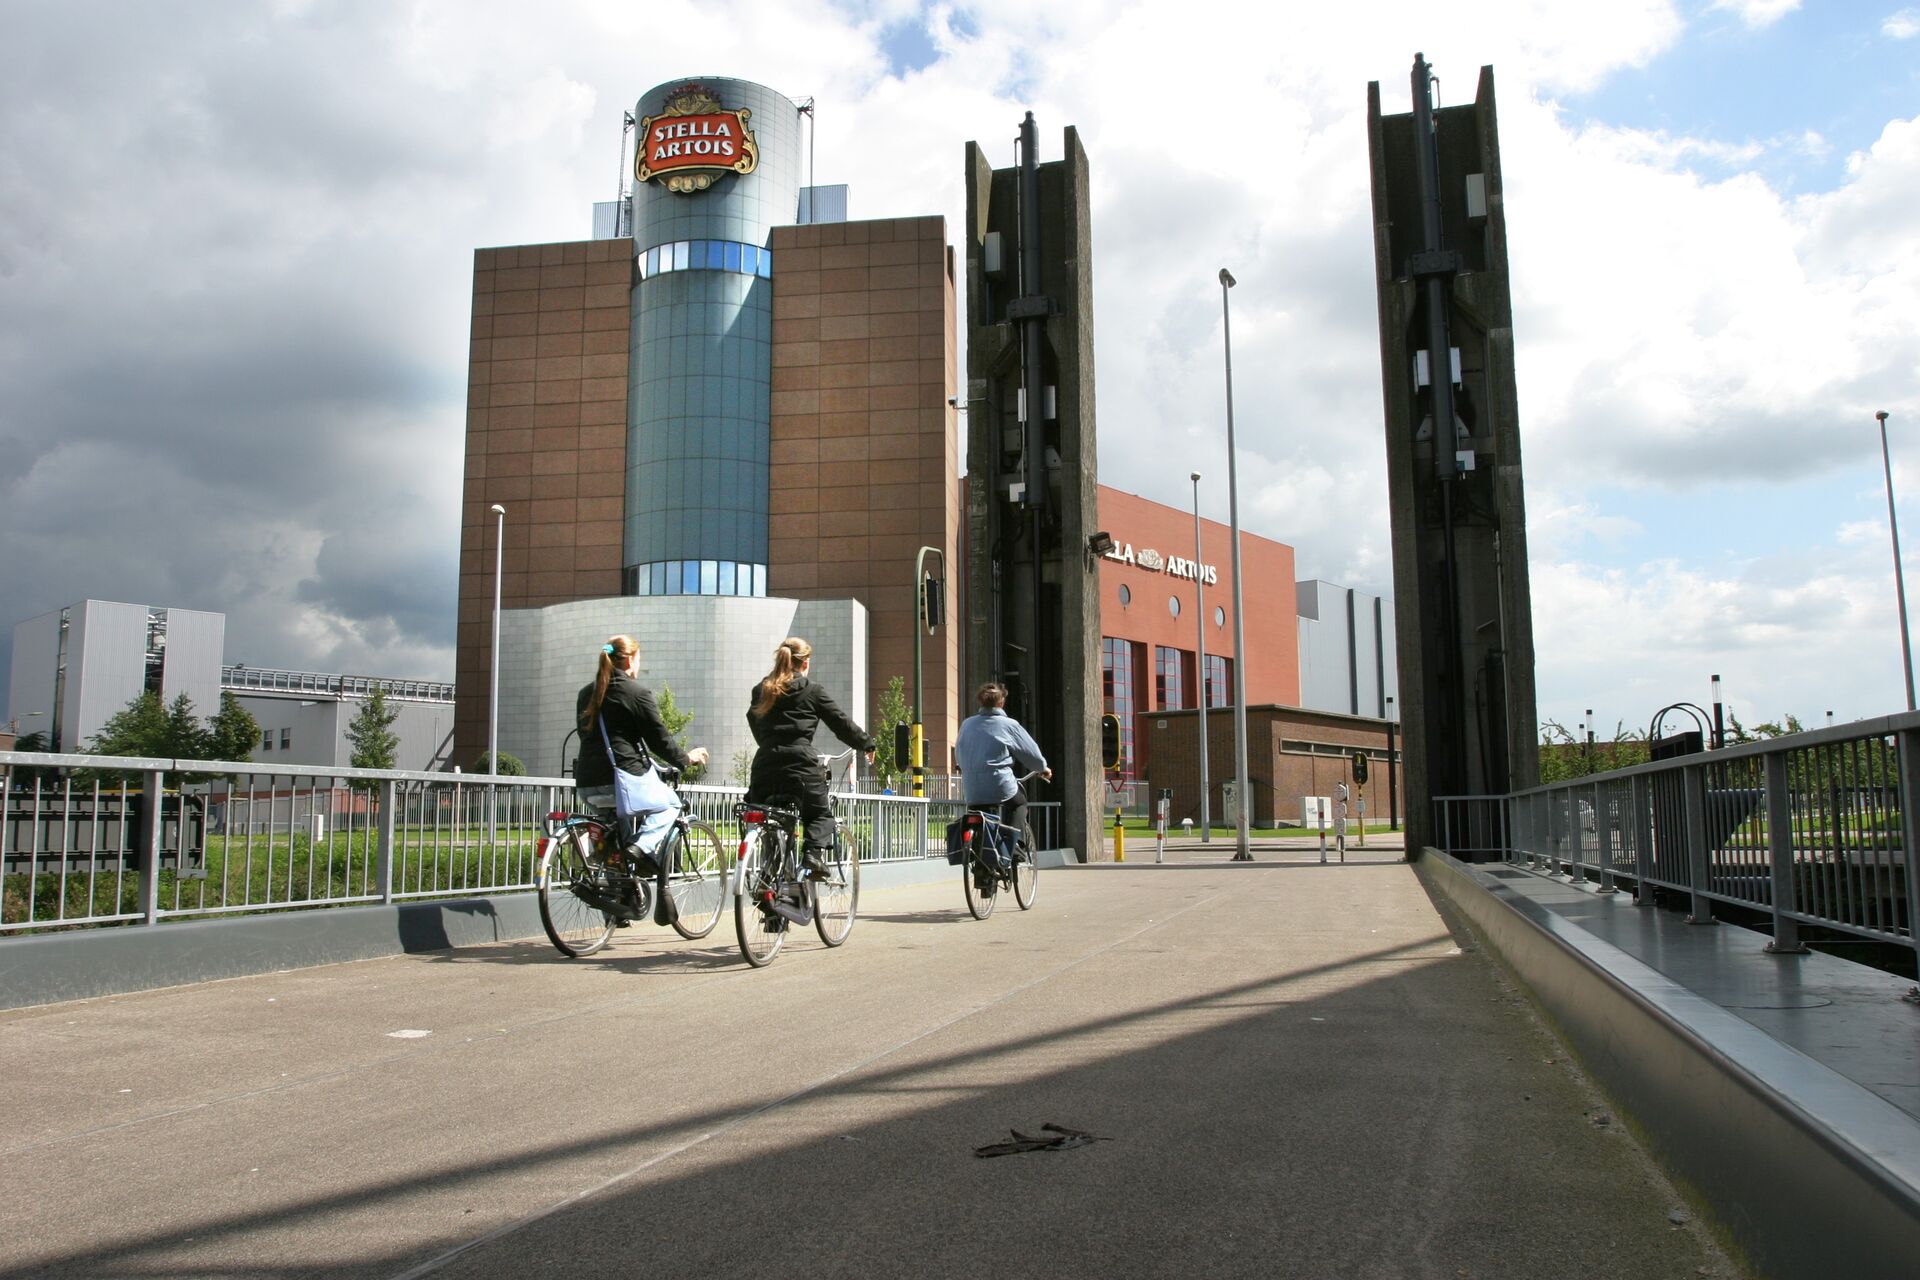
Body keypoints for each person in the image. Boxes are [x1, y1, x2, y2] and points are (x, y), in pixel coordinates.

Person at [575, 635, 709, 887]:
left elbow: (584, 733)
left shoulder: (586, 694)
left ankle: (619, 901)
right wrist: (685, 758)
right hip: (622, 778)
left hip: (587, 782)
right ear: (630, 660)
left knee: (616, 840)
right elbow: (658, 739)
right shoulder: (636, 692)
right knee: (672, 806)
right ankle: (642, 848)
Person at [745, 637, 874, 879]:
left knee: (767, 819)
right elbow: (840, 723)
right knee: (819, 815)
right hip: (800, 763)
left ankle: (769, 878)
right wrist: (866, 743)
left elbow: (753, 721)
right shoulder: (812, 690)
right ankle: (813, 856)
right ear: (805, 663)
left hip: (764, 765)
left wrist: (769, 746)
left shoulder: (760, 690)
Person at [955, 682, 1051, 860]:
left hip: (972, 789)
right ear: (1002, 702)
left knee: (978, 812)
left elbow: (959, 752)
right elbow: (1032, 754)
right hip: (1000, 785)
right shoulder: (1009, 725)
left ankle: (979, 858)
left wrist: (965, 767)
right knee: (1019, 803)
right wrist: (1042, 768)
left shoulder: (967, 724)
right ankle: (1014, 846)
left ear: (980, 702)